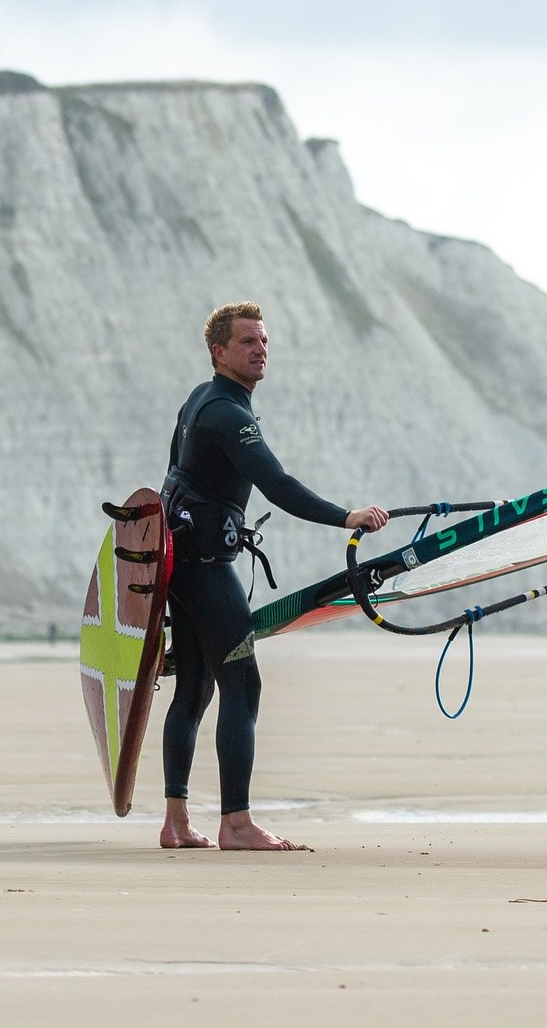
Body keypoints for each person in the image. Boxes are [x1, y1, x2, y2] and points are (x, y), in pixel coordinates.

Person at [158, 302, 388, 851]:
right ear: (219, 352)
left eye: (264, 340)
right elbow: (278, 485)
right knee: (242, 683)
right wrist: (347, 517)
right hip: (208, 570)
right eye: (247, 342)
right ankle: (236, 823)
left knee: (193, 687)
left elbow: (173, 472)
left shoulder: (200, 399)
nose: (261, 349)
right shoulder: (228, 413)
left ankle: (176, 822)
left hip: (180, 565)